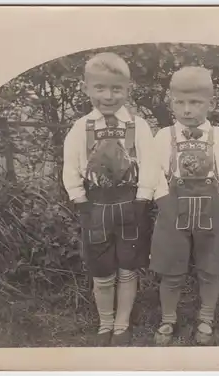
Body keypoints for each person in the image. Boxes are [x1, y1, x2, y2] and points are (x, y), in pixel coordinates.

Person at [62, 52, 157, 346]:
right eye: (100, 88)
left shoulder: (138, 126)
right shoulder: (82, 127)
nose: (108, 95)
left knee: (128, 267)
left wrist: (143, 199)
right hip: (96, 205)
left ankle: (121, 324)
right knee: (102, 269)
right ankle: (105, 324)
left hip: (130, 205)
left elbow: (151, 164)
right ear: (86, 88)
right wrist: (79, 199)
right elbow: (71, 165)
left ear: (127, 89)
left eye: (116, 89)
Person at [149, 66, 219, 345]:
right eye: (180, 102)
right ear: (171, 102)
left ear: (210, 103)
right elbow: (153, 172)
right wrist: (164, 201)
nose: (187, 110)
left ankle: (206, 318)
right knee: (172, 268)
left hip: (211, 209)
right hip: (174, 209)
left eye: (195, 103)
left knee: (210, 267)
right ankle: (168, 319)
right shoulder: (165, 136)